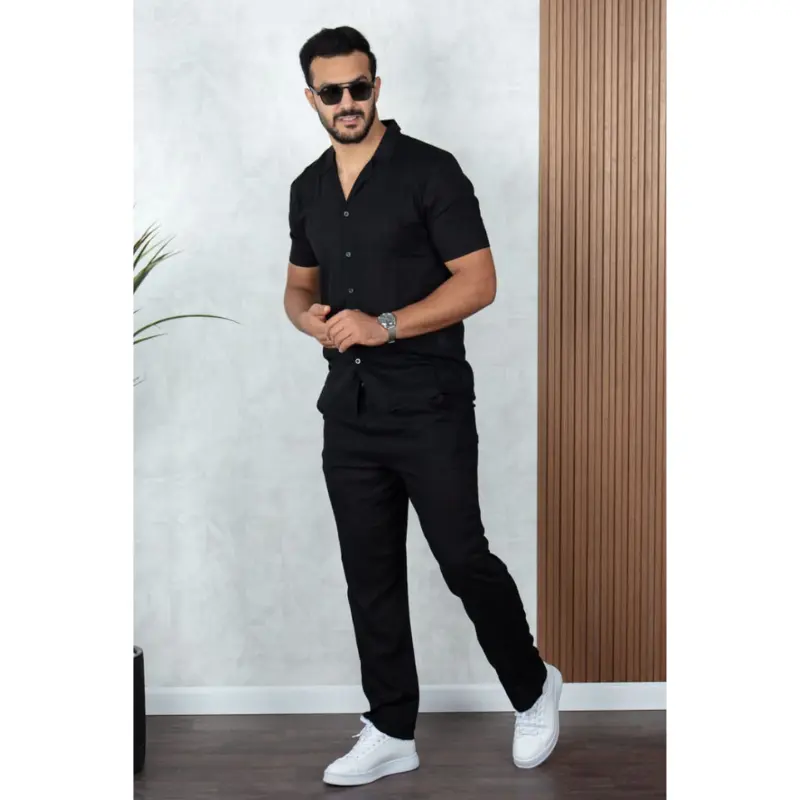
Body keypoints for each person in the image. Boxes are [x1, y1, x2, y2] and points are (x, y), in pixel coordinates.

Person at [283, 25, 562, 788]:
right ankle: (390, 728)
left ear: (377, 86)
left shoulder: (431, 171)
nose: (348, 101)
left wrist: (386, 324)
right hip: (348, 410)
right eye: (332, 91)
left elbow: (479, 281)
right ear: (311, 98)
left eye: (359, 86)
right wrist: (309, 320)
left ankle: (533, 687)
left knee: (463, 558)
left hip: (429, 405)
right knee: (368, 573)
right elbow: (298, 287)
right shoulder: (308, 188)